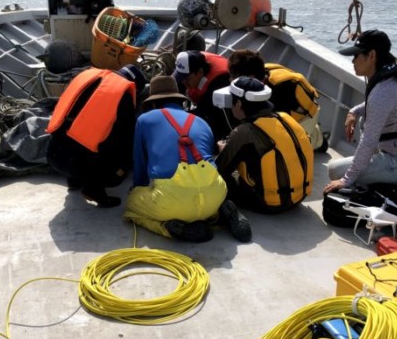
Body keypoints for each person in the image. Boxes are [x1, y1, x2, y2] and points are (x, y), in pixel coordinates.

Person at [124, 75, 251, 242]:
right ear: (179, 100)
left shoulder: (145, 120)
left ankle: (170, 228)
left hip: (171, 199)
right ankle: (219, 211)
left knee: (131, 209)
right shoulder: (201, 122)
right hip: (216, 192)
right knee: (202, 196)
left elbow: (140, 165)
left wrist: (139, 190)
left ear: (153, 103)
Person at [323, 29, 397, 194]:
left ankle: (368, 181)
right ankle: (373, 174)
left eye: (356, 56)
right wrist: (354, 111)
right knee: (362, 118)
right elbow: (380, 105)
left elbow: (369, 141)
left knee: (335, 170)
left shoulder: (383, 91)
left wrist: (346, 179)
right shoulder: (394, 69)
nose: (353, 61)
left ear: (371, 56)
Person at [46, 64, 147, 207]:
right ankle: (94, 189)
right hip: (74, 163)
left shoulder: (86, 76)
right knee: (124, 155)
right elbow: (125, 142)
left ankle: (74, 181)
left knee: (74, 132)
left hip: (53, 155)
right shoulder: (123, 98)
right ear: (134, 86)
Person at [215, 76, 313, 214]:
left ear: (238, 104)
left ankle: (227, 213)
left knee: (218, 176)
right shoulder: (285, 118)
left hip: (266, 203)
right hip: (299, 197)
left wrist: (223, 150)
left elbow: (220, 168)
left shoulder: (245, 131)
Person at [227, 49, 326, 152]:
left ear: (251, 77)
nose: (230, 80)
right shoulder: (259, 74)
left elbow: (282, 128)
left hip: (302, 117)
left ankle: (317, 140)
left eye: (233, 76)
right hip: (289, 111)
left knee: (284, 148)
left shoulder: (280, 91)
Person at [172, 50, 232, 142]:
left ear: (200, 72)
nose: (183, 82)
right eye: (181, 77)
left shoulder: (218, 84)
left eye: (187, 78)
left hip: (221, 114)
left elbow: (205, 113)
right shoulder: (191, 62)